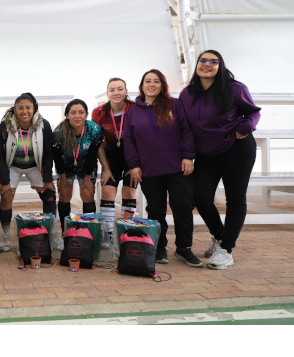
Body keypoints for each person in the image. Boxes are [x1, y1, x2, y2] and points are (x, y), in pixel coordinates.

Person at [179, 50, 261, 270]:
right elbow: (185, 127)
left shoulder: (235, 88)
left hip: (237, 149)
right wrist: (188, 154)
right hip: (207, 152)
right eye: (202, 61)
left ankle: (226, 250)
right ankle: (220, 237)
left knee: (235, 199)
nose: (207, 64)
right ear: (196, 66)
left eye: (213, 62)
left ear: (220, 66)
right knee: (200, 196)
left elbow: (253, 113)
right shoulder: (187, 94)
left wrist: (242, 130)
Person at [123, 69, 202, 267]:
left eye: (156, 81)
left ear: (162, 85)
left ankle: (184, 249)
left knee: (183, 207)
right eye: (148, 81)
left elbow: (187, 131)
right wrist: (134, 165)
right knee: (156, 210)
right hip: (149, 170)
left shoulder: (175, 104)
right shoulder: (132, 111)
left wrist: (188, 157)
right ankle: (159, 248)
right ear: (141, 86)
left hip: (178, 167)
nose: (152, 84)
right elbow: (129, 141)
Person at [0, 93, 56, 252]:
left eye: (28, 107)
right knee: (6, 195)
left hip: (35, 165)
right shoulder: (5, 125)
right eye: (20, 108)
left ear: (34, 108)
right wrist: (5, 181)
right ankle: (7, 239)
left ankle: (51, 236)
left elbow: (49, 154)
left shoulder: (44, 125)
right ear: (14, 110)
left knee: (49, 194)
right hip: (12, 165)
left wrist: (47, 178)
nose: (24, 111)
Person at [53, 99, 113, 231]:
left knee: (87, 193)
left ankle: (88, 231)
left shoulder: (94, 129)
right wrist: (62, 178)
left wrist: (87, 178)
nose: (77, 116)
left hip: (86, 164)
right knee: (64, 194)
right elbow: (56, 157)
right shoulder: (59, 131)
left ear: (86, 114)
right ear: (67, 115)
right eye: (73, 113)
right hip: (66, 165)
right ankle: (65, 231)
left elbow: (93, 155)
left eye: (81, 112)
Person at [91, 78, 138, 237]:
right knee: (107, 192)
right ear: (107, 93)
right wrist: (104, 168)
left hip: (132, 159)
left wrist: (136, 165)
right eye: (112, 90)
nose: (116, 93)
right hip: (110, 159)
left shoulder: (135, 108)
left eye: (120, 89)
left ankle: (127, 230)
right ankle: (107, 234)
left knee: (130, 191)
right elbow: (97, 143)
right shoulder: (98, 113)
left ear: (126, 91)